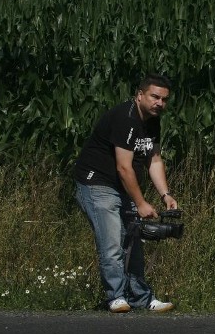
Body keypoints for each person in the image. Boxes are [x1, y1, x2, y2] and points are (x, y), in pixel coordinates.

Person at [73, 73, 178, 313]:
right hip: (96, 182)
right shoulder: (125, 117)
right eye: (154, 97)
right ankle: (116, 297)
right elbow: (123, 167)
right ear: (140, 95)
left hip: (121, 185)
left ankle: (142, 298)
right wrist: (140, 202)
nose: (159, 103)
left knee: (133, 241)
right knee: (112, 241)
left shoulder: (152, 121)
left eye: (164, 99)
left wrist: (165, 195)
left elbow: (154, 160)